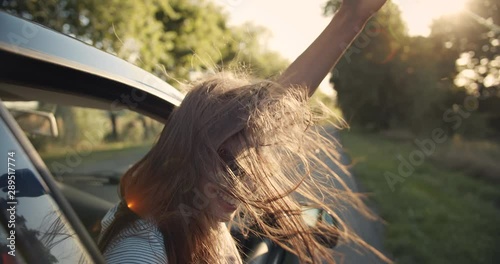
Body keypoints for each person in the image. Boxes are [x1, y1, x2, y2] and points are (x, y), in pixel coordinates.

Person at [98, 0, 389, 263]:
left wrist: (352, 18)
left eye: (246, 167)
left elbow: (283, 101)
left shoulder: (200, 212)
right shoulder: (141, 250)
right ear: (183, 152)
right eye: (224, 161)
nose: (240, 186)